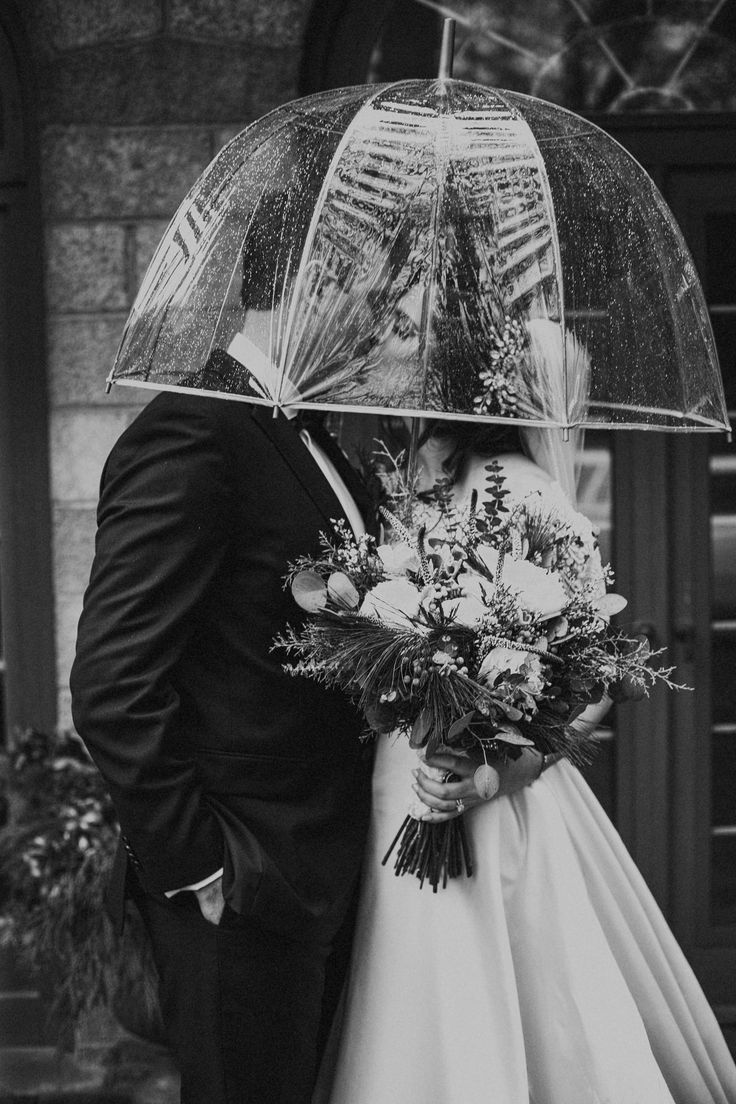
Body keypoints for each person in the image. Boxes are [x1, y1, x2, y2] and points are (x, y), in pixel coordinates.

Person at [313, 418, 736, 1104]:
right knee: (404, 964)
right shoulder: (402, 480)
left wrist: (511, 768)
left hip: (493, 784)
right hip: (405, 770)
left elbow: (595, 671)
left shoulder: (532, 490)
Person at [69, 358, 383, 1104]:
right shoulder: (195, 429)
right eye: (374, 281)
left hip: (318, 864)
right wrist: (196, 867)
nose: (381, 314)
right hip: (240, 877)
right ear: (321, 277)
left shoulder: (304, 430)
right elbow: (113, 684)